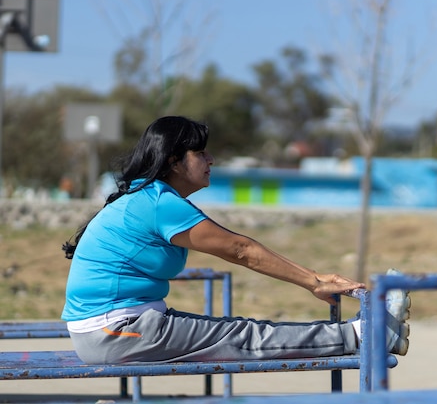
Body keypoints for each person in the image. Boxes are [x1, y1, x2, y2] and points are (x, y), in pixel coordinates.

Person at [61, 116, 410, 364]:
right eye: (201, 153)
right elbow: (241, 250)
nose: (211, 160)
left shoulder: (149, 197)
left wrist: (314, 280)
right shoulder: (156, 203)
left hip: (119, 327)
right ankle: (368, 335)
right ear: (175, 161)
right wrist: (314, 282)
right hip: (114, 332)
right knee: (243, 337)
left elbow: (239, 248)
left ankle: (363, 332)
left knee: (243, 330)